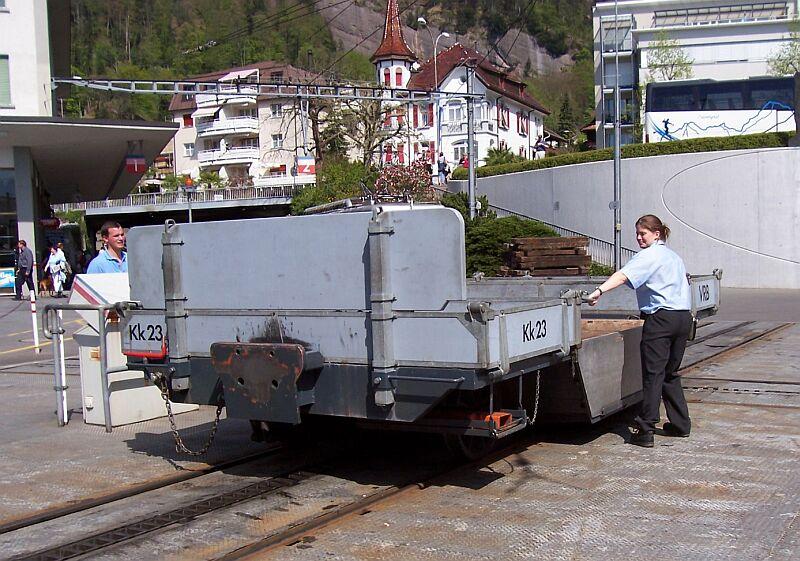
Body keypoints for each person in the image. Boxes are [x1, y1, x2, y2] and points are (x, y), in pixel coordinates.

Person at [586, 215, 692, 448]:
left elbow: (623, 276)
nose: (638, 238)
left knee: (653, 374)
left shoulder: (649, 255)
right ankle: (681, 424)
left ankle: (645, 430)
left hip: (661, 319)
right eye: (637, 233)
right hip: (682, 318)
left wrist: (599, 291)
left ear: (657, 234)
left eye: (643, 233)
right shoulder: (673, 256)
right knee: (670, 372)